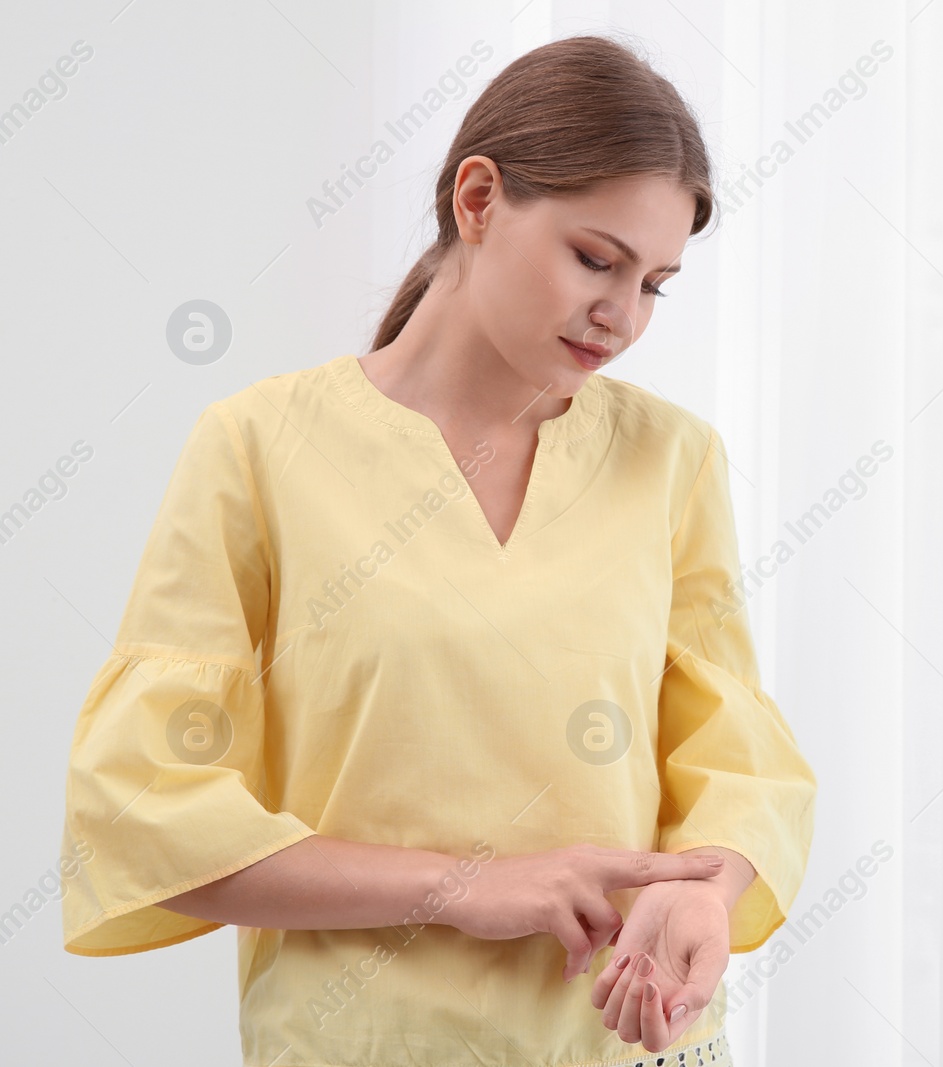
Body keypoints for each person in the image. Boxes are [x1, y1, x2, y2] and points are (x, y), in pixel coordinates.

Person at [57, 33, 816, 1067]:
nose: (621, 315)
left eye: (655, 283)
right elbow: (143, 810)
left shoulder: (669, 459)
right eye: (595, 258)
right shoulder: (259, 448)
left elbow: (735, 760)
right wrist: (465, 886)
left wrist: (705, 889)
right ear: (477, 199)